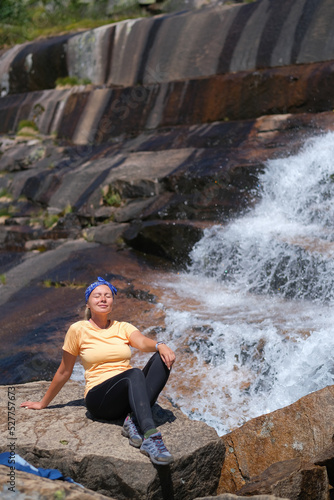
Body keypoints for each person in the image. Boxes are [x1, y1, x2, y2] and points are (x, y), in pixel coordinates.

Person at [21, 276, 176, 465]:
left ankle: (133, 419)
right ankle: (151, 437)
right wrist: (43, 403)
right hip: (100, 398)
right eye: (97, 296)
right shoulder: (78, 330)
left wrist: (160, 345)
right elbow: (64, 370)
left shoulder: (123, 327)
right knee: (134, 374)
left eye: (107, 296)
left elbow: (142, 342)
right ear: (88, 303)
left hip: (126, 395)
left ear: (112, 302)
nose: (103, 299)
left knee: (162, 359)